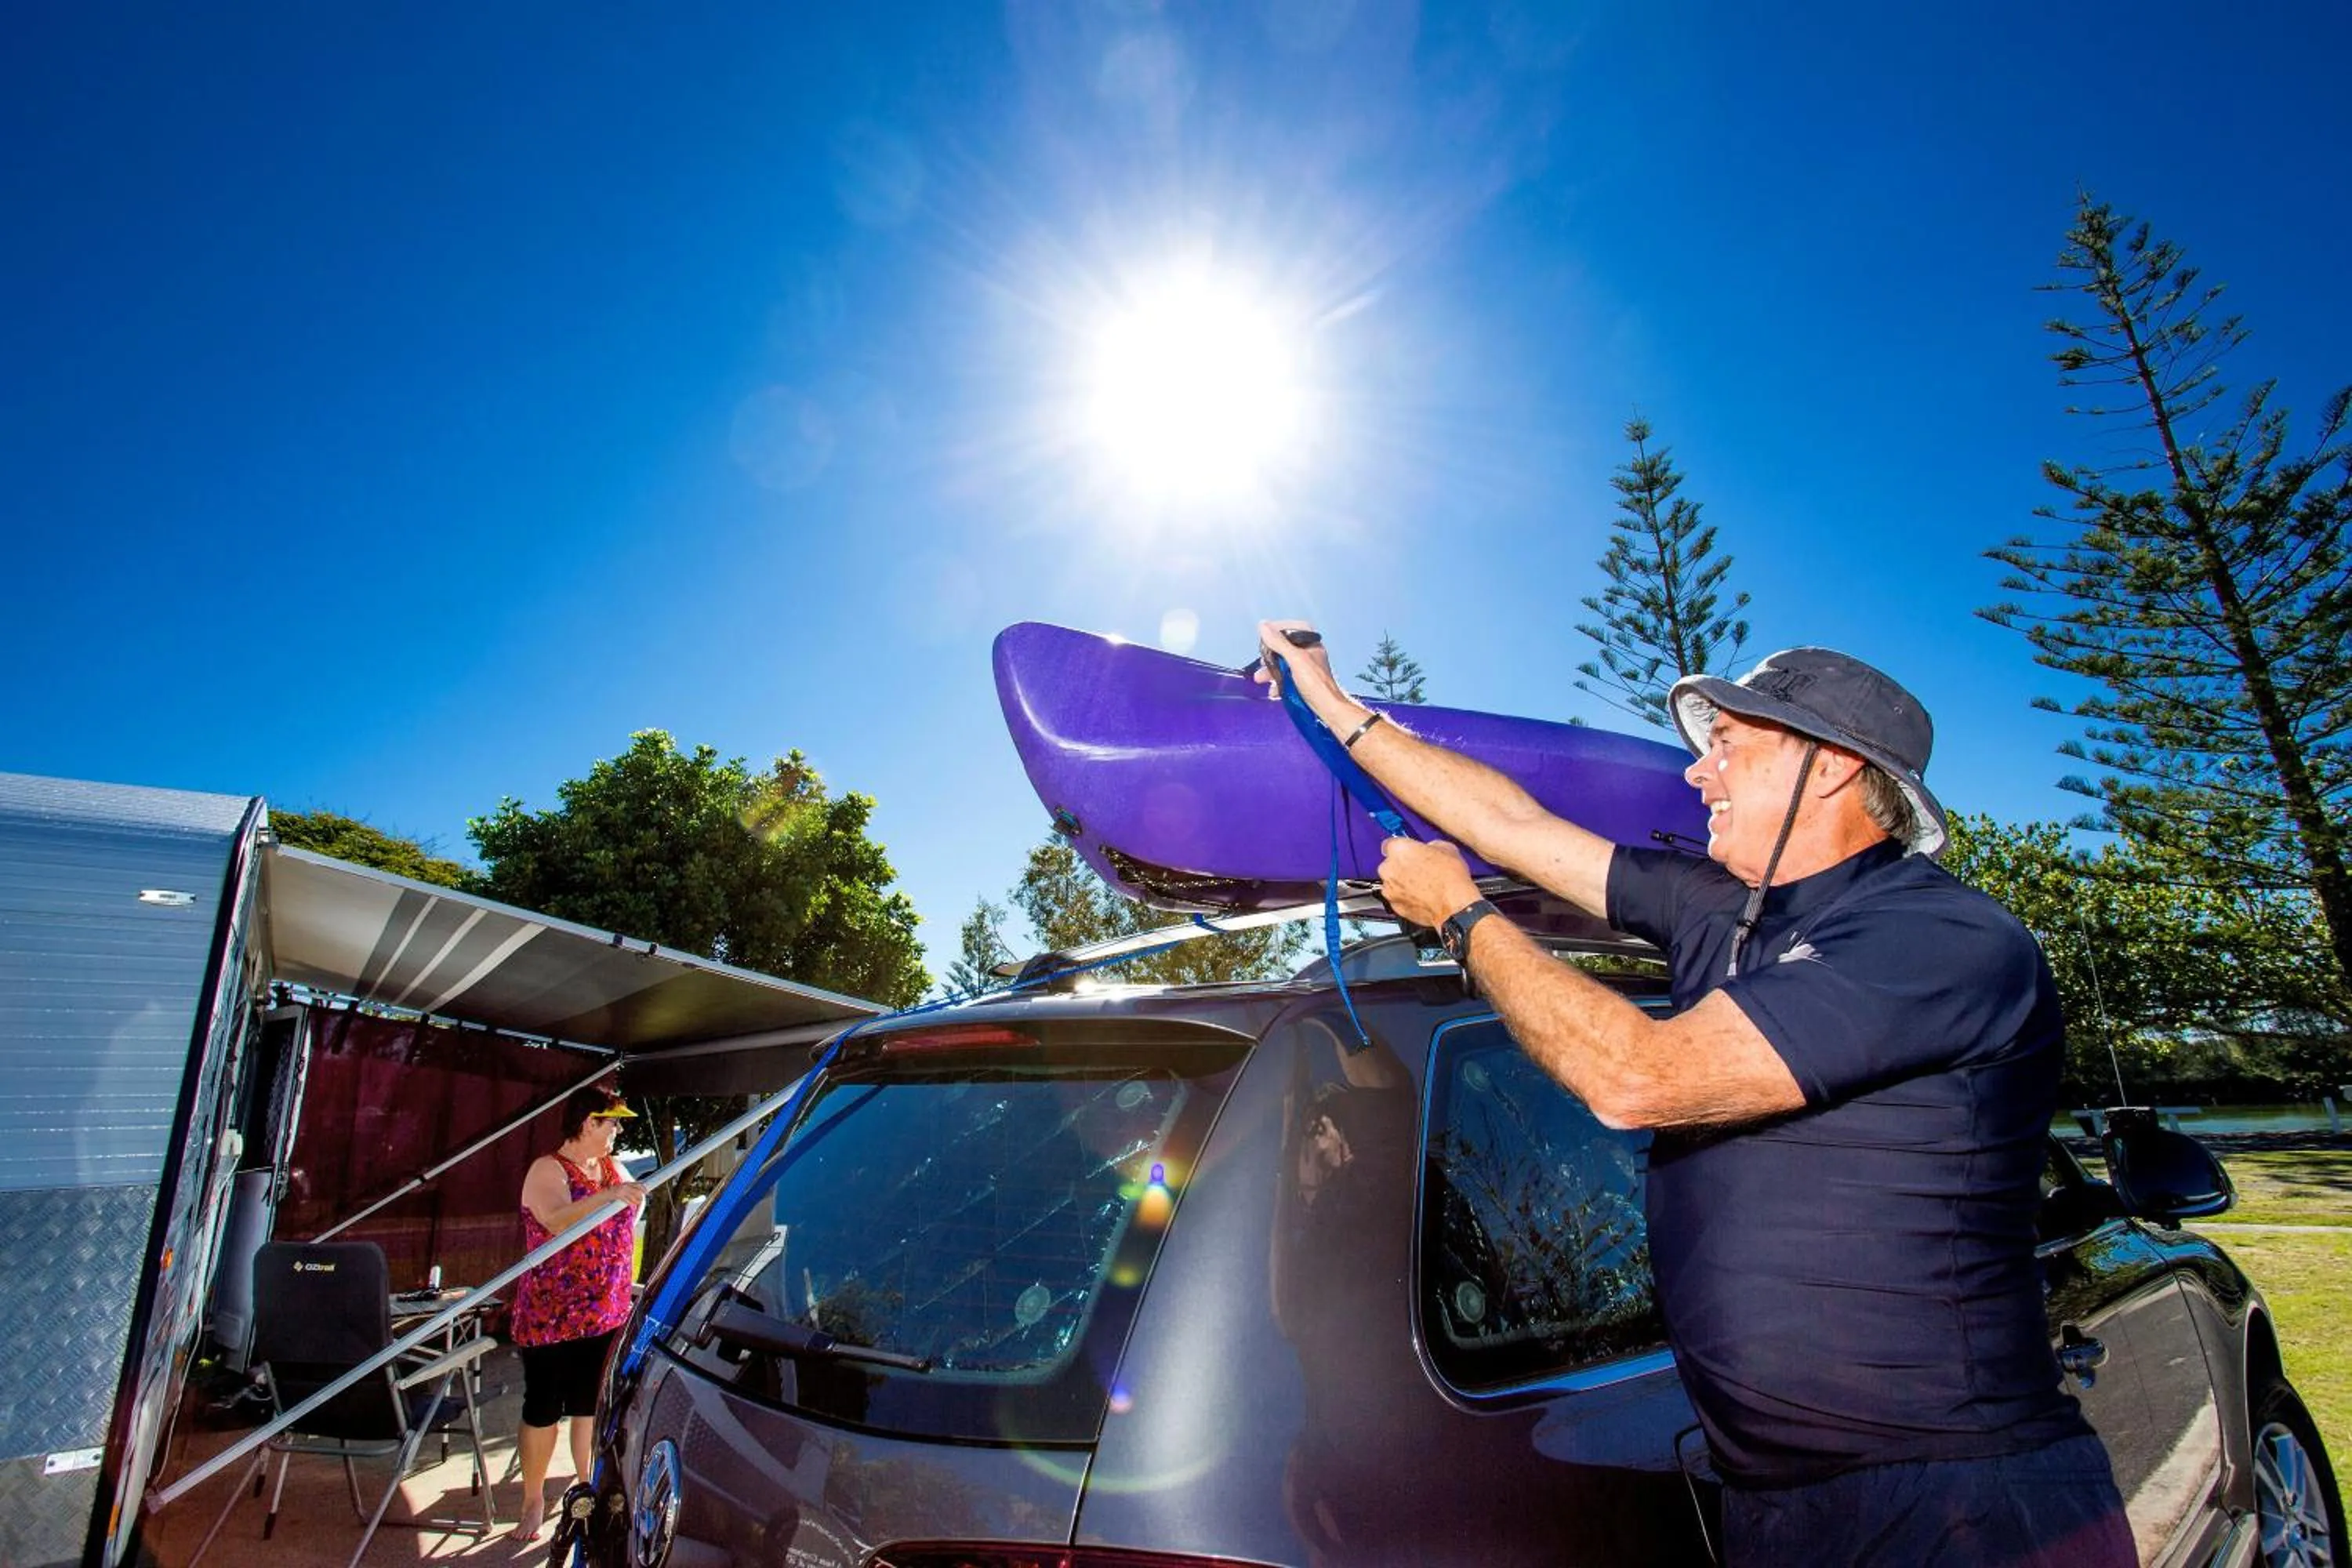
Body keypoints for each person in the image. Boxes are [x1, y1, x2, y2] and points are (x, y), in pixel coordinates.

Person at [1256, 623, 2134, 1566]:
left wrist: (1464, 917)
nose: (1697, 771)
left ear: (1832, 766)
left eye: (1729, 745)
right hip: (1776, 1503)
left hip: (1958, 1498)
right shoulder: (1720, 911)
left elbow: (1639, 1077)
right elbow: (1512, 826)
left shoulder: (1941, 938)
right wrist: (1335, 706)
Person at [508, 1086, 646, 1541]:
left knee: (590, 1405)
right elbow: (554, 1219)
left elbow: (631, 1208)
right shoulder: (548, 1169)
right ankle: (533, 1501)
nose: (618, 1131)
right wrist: (610, 1197)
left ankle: (587, 1490)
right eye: (613, 1123)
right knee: (543, 1406)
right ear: (589, 1123)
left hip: (604, 1313)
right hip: (552, 1315)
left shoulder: (612, 1168)